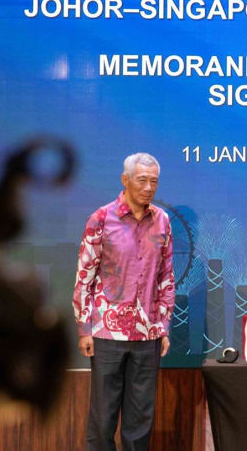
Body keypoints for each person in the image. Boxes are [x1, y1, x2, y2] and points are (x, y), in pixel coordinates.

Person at [72, 153, 175, 451]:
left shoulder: (163, 221)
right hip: (106, 332)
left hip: (148, 333)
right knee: (103, 418)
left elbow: (166, 278)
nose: (148, 187)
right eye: (142, 180)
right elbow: (84, 276)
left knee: (140, 420)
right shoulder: (101, 218)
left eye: (154, 181)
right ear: (125, 180)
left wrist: (163, 325)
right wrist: (84, 328)